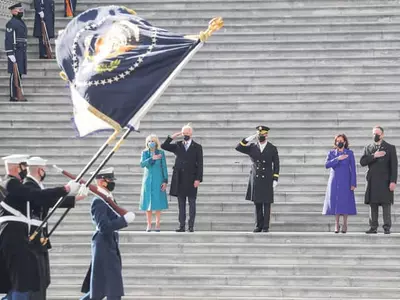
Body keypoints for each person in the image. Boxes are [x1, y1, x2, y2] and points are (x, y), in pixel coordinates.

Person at [0, 154, 82, 300]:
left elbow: (41, 199)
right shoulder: (10, 183)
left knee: (25, 282)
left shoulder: (15, 183)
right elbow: (35, 195)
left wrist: (72, 197)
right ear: (16, 167)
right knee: (22, 283)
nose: (25, 170)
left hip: (19, 235)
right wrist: (65, 188)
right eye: (23, 167)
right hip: (13, 235)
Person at [23, 156, 88, 300]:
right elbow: (44, 198)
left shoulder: (36, 186)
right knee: (37, 280)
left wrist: (75, 197)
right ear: (40, 171)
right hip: (32, 238)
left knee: (44, 279)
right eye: (43, 169)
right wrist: (66, 189)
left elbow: (49, 201)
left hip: (40, 237)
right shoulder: (29, 185)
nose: (44, 172)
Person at [81, 168, 136, 300]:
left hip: (109, 243)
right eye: (109, 180)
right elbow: (103, 227)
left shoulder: (108, 198)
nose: (111, 182)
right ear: (101, 181)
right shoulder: (98, 201)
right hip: (103, 245)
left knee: (102, 288)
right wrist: (124, 221)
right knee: (112, 288)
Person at [235, 126, 280, 233]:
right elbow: (238, 147)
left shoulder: (272, 148)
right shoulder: (252, 147)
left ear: (266, 135)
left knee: (267, 203)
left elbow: (277, 164)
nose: (260, 136)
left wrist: (275, 178)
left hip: (267, 178)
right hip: (256, 178)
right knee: (257, 203)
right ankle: (258, 225)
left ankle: (265, 226)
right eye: (258, 134)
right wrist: (247, 139)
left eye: (262, 134)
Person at [161, 123, 203, 233]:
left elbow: (200, 164)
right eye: (184, 133)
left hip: (192, 179)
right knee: (181, 204)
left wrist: (198, 179)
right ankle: (182, 226)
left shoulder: (197, 147)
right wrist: (173, 136)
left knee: (192, 203)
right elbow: (163, 146)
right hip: (179, 179)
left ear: (191, 133)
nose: (186, 134)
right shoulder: (178, 145)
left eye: (188, 132)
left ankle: (191, 226)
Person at [360, 126, 398, 234]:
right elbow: (362, 162)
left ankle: (387, 227)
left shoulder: (390, 148)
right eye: (373, 133)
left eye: (377, 133)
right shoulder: (368, 147)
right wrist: (373, 156)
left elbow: (394, 166)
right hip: (372, 181)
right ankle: (373, 227)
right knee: (373, 204)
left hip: (385, 181)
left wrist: (393, 181)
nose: (375, 135)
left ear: (382, 135)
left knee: (386, 204)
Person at [323, 134, 357, 233]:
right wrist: (338, 159)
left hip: (346, 180)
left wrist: (353, 183)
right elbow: (327, 165)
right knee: (336, 202)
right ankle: (336, 224)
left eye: (341, 140)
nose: (339, 142)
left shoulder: (349, 153)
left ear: (345, 142)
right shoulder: (332, 153)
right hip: (334, 181)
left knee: (345, 202)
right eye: (337, 141)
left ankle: (345, 223)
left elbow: (353, 169)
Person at [140, 134, 168, 232]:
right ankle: (148, 224)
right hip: (148, 180)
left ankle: (157, 224)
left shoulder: (161, 153)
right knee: (148, 203)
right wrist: (152, 158)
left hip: (158, 179)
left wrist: (165, 180)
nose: (151, 143)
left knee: (158, 202)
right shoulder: (144, 153)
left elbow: (164, 167)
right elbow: (142, 164)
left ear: (156, 143)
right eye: (149, 141)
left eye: (153, 141)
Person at [4, 2, 28, 102]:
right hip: (15, 51)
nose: (21, 11)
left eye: (21, 10)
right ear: (13, 11)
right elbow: (8, 39)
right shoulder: (11, 23)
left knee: (19, 73)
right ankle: (13, 95)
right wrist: (10, 53)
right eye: (19, 10)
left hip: (21, 50)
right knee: (14, 73)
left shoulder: (20, 22)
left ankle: (18, 93)